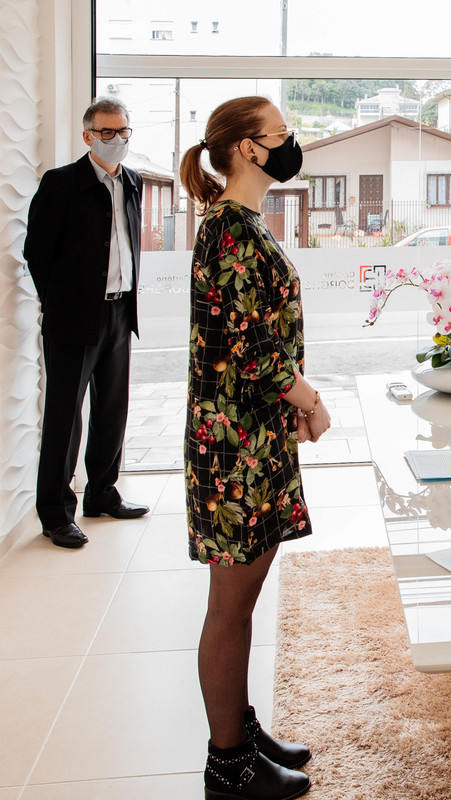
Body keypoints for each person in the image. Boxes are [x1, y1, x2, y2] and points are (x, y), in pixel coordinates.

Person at [181, 95, 332, 800]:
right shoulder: (228, 231)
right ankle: (228, 763)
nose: (292, 143)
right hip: (233, 449)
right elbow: (250, 352)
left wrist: (289, 404)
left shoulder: (238, 222)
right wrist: (309, 399)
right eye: (281, 134)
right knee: (230, 607)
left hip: (251, 437)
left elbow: (259, 336)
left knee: (239, 603)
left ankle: (241, 730)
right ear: (247, 147)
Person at [24, 97, 149, 549]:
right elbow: (36, 252)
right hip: (73, 317)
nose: (117, 139)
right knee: (64, 418)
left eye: (123, 131)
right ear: (88, 136)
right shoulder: (61, 183)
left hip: (119, 311)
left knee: (112, 409)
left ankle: (102, 493)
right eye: (107, 132)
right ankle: (56, 513)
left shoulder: (132, 181)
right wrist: (59, 301)